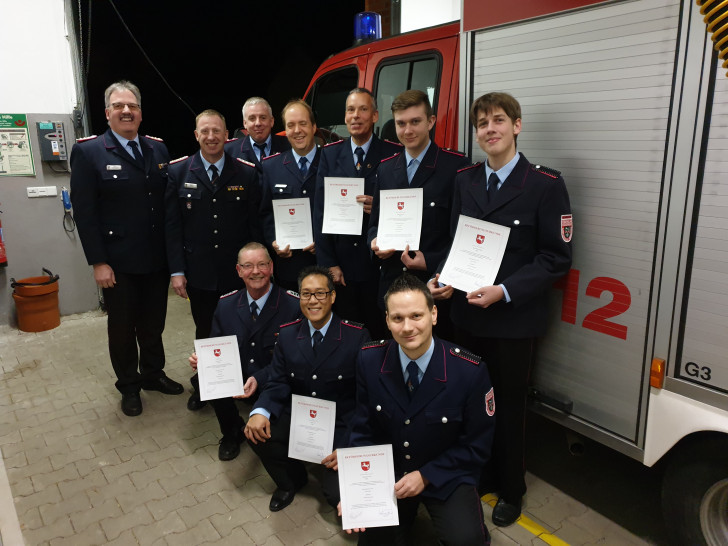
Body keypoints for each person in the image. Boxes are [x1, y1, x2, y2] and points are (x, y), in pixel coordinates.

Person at [428, 92, 573, 526]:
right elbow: (457, 242)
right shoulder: (465, 181)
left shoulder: (545, 184)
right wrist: (443, 279)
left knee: (508, 407)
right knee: (470, 401)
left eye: (497, 121)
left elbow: (556, 258)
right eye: (481, 124)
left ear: (516, 125)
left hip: (512, 319)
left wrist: (505, 291)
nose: (488, 130)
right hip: (467, 317)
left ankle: (512, 488)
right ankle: (482, 473)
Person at [342, 274, 494, 545]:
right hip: (392, 471)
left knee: (466, 540)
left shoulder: (469, 372)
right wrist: (356, 488)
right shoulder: (368, 360)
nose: (408, 327)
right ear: (387, 320)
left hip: (448, 474)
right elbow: (363, 429)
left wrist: (426, 475)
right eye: (398, 318)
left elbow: (476, 446)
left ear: (433, 314)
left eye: (416, 315)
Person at [70, 80, 183, 417]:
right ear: (107, 113)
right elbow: (85, 213)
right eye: (118, 106)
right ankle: (129, 386)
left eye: (132, 106)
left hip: (155, 258)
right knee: (122, 328)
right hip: (117, 262)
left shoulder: (157, 149)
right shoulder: (89, 151)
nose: (126, 111)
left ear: (140, 112)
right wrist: (98, 262)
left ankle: (152, 374)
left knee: (153, 323)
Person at [244, 265, 370, 512]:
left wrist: (350, 445)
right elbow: (278, 381)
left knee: (335, 496)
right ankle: (291, 481)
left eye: (320, 293)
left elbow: (365, 398)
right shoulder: (288, 335)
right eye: (306, 294)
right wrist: (261, 410)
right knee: (255, 431)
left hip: (340, 425)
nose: (313, 301)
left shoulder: (357, 337)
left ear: (332, 297)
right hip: (302, 418)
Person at [166, 109, 262, 412]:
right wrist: (177, 271)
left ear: (227, 136)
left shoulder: (246, 172)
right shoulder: (179, 171)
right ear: (196, 135)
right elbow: (173, 226)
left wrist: (257, 268)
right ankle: (206, 386)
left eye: (216, 131)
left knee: (244, 329)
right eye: (204, 131)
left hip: (238, 274)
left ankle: (247, 382)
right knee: (206, 331)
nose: (211, 137)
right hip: (200, 273)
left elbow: (255, 225)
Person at [367, 90, 468, 337]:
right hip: (393, 288)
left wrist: (432, 262)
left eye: (415, 122)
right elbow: (374, 223)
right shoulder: (387, 168)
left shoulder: (455, 167)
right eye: (401, 123)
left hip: (434, 289)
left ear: (431, 121)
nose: (407, 130)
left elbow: (462, 235)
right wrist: (375, 242)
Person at [189, 242, 300, 460]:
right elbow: (215, 344)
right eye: (248, 266)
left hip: (272, 378)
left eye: (262, 265)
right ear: (239, 271)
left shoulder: (293, 305)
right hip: (237, 375)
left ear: (271, 267)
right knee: (210, 373)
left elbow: (292, 361)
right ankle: (231, 433)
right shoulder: (226, 304)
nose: (256, 271)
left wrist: (259, 378)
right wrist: (202, 359)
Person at [313, 88, 402, 338]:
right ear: (344, 116)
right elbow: (319, 212)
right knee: (347, 336)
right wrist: (329, 263)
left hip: (379, 265)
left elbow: (404, 208)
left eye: (363, 109)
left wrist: (381, 209)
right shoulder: (330, 154)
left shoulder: (392, 154)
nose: (356, 116)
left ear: (374, 116)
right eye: (350, 110)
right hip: (342, 268)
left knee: (379, 333)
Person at [260, 99, 321, 291]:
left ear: (313, 127)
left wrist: (323, 241)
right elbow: (264, 213)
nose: (297, 130)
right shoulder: (271, 166)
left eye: (302, 123)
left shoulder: (331, 162)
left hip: (324, 266)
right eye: (291, 125)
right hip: (288, 267)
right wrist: (273, 241)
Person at [226, 97, 290, 175]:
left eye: (263, 118)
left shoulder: (289, 146)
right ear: (245, 123)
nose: (258, 123)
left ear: (271, 121)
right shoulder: (229, 151)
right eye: (252, 118)